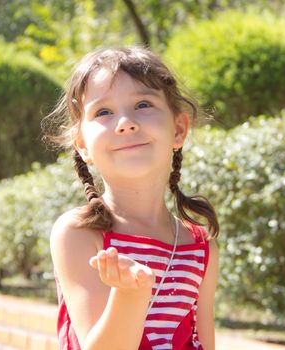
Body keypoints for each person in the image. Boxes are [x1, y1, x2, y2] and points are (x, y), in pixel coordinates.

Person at [42, 46, 220, 350]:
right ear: (82, 144)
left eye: (143, 104)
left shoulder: (200, 246)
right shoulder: (80, 234)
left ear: (178, 130)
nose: (125, 122)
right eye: (104, 112)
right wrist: (130, 295)